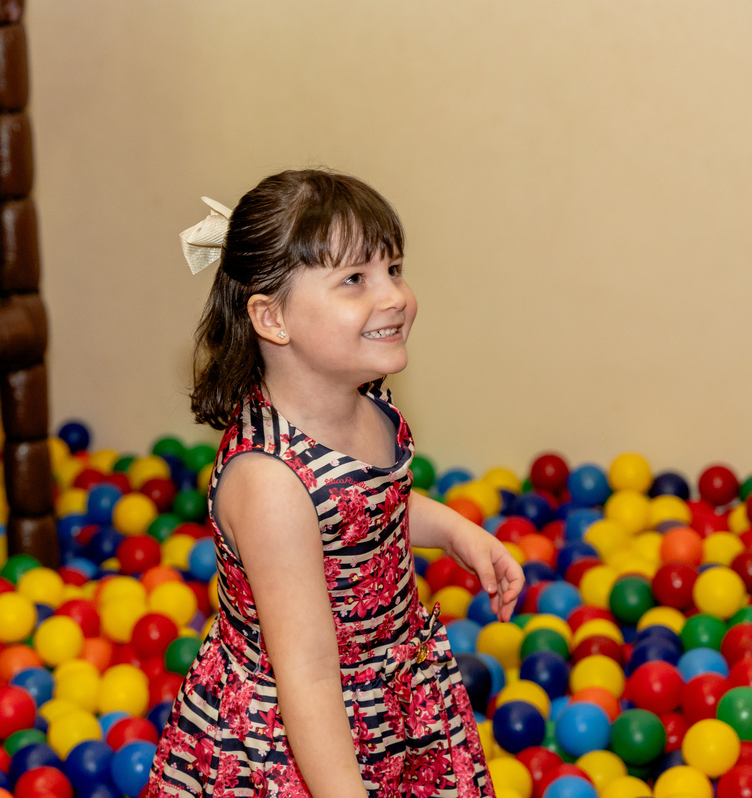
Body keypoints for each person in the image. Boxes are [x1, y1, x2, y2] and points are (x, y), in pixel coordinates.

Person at [145, 169, 525, 798]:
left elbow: (368, 510)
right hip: (303, 739)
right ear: (272, 317)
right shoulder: (270, 482)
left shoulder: (366, 406)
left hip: (392, 694)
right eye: (355, 279)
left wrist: (457, 533)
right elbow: (308, 674)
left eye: (393, 269)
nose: (394, 295)